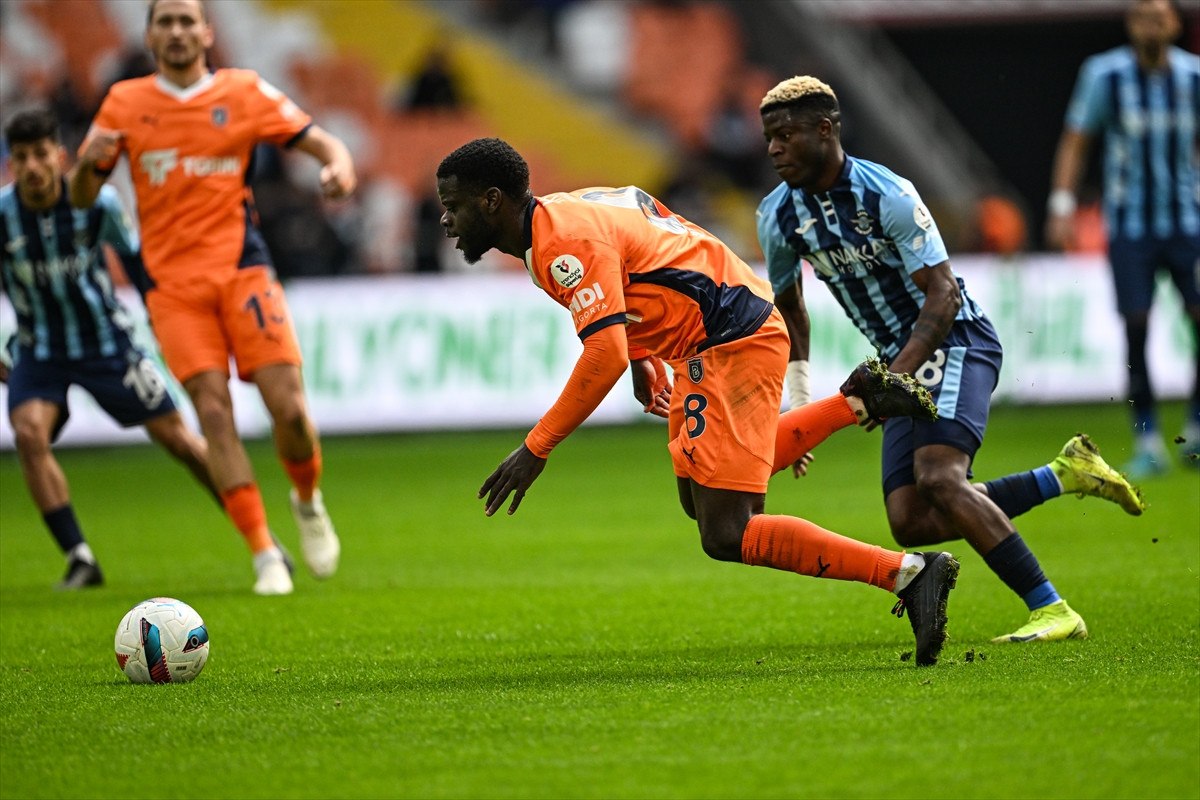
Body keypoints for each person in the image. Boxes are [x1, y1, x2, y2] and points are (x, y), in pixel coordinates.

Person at [436, 136, 962, 667]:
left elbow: (603, 354)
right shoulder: (556, 218)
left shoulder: (562, 244)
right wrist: (644, 353)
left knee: (726, 531)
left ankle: (907, 574)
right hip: (709, 335)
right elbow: (643, 235)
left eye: (453, 206)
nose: (445, 220)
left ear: (492, 200)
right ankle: (857, 403)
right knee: (698, 499)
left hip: (730, 338)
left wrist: (537, 447)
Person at [756, 75, 1149, 645]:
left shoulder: (887, 194)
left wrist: (894, 376)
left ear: (826, 129)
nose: (773, 149)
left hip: (953, 339)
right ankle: (1064, 475)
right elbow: (790, 309)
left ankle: (1052, 608)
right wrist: (798, 403)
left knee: (941, 478)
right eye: (768, 137)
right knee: (911, 519)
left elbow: (942, 294)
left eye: (786, 134)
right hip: (899, 363)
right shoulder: (778, 216)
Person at [67, 0, 353, 595]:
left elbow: (321, 142)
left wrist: (339, 168)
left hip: (242, 271)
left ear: (206, 31)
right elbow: (79, 193)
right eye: (163, 21)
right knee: (213, 411)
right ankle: (264, 554)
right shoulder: (124, 103)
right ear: (148, 35)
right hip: (172, 286)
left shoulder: (243, 92)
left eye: (184, 20)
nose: (175, 31)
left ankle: (306, 499)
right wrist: (87, 172)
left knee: (291, 410)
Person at [0, 108, 218, 590]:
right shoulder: (3, 215)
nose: (33, 167)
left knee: (180, 441)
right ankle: (80, 556)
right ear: (11, 165)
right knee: (28, 433)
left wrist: (164, 325)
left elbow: (138, 265)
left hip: (108, 345)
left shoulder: (98, 204)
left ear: (59, 156)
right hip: (40, 350)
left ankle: (257, 534)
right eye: (21, 158)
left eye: (40, 155)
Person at [1045, 0, 1200, 478]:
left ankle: (1195, 427)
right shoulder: (1104, 75)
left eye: (1157, 15)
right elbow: (1077, 138)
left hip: (1187, 224)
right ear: (1129, 25)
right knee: (1136, 327)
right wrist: (1062, 205)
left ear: (1175, 22)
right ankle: (1148, 438)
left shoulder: (1193, 77)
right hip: (1130, 228)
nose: (1148, 25)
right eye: (1138, 16)